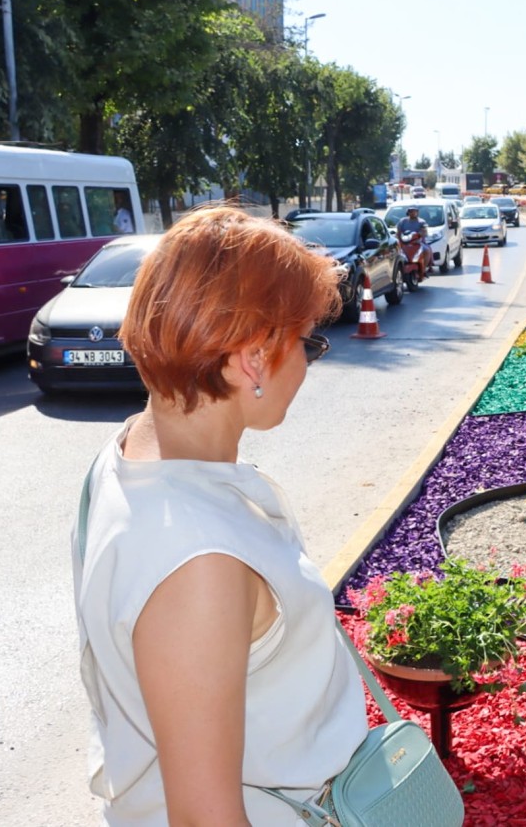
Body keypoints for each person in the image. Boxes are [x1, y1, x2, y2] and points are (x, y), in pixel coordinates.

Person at [71, 207, 368, 825]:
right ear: (253, 359)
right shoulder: (199, 562)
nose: (310, 362)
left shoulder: (127, 452)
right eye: (308, 341)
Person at [394, 205, 433, 278]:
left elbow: (424, 231)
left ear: (417, 212)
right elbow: (398, 232)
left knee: (427, 250)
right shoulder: (403, 221)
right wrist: (399, 239)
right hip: (404, 243)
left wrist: (420, 234)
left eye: (415, 211)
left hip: (418, 243)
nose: (413, 213)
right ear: (408, 212)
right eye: (411, 211)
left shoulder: (421, 222)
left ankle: (424, 269)